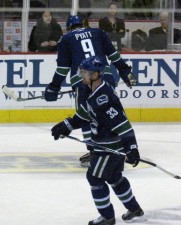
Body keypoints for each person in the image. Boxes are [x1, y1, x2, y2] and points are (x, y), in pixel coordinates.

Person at [50, 56, 144, 225]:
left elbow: (123, 125)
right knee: (115, 178)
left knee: (94, 178)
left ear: (94, 75)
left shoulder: (104, 97)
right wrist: (65, 125)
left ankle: (107, 217)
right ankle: (134, 208)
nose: (81, 75)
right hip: (107, 146)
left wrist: (132, 148)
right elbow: (85, 115)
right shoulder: (94, 92)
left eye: (84, 72)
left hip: (108, 148)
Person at [44, 15, 137, 167]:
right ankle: (120, 145)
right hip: (104, 76)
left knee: (87, 113)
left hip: (82, 80)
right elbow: (114, 56)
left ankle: (95, 151)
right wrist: (124, 70)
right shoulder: (99, 32)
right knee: (110, 110)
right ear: (84, 24)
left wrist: (54, 87)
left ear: (68, 28)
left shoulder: (65, 39)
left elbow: (62, 69)